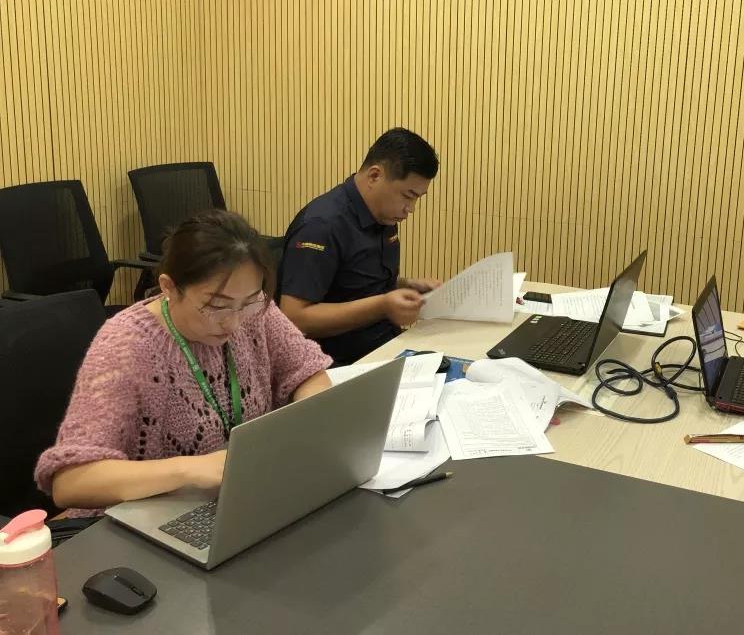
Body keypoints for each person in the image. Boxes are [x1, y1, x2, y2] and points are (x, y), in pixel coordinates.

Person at [35, 210, 332, 515]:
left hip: (234, 496)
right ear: (169, 287)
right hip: (144, 517)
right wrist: (189, 470)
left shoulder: (252, 309)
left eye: (248, 302)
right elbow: (70, 483)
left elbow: (308, 372)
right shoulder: (127, 346)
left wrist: (306, 425)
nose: (233, 323)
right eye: (216, 306)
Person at [278, 128, 442, 364]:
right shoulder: (321, 226)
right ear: (375, 176)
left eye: (418, 198)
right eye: (408, 196)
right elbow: (294, 317)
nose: (411, 208)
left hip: (387, 346)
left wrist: (406, 285)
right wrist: (383, 305)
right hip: (340, 363)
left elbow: (353, 283)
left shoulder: (383, 215)